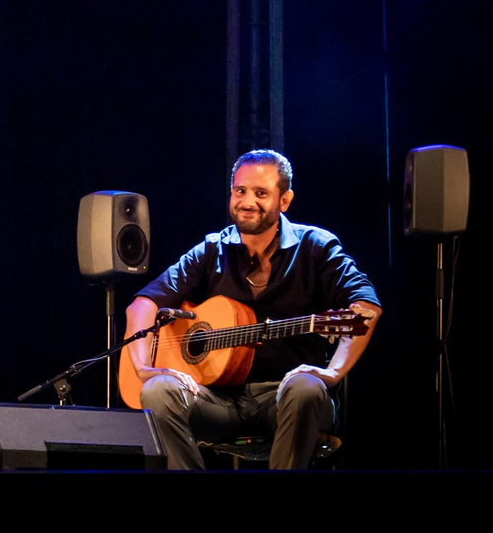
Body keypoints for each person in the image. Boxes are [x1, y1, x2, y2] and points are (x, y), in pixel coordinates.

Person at [126, 149, 382, 470]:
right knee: (157, 391)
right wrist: (142, 368)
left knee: (305, 388)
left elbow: (366, 308)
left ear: (284, 200)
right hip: (219, 401)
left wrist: (333, 372)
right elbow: (142, 306)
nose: (247, 202)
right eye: (239, 191)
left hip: (285, 399)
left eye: (261, 193)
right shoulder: (210, 250)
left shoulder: (316, 246)